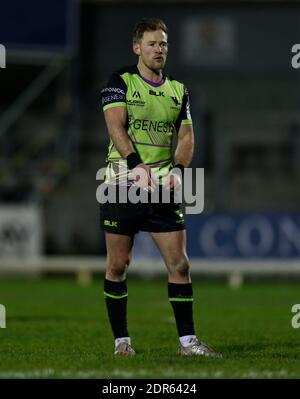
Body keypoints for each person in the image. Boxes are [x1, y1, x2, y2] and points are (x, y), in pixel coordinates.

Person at [100, 17, 221, 357]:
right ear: (137, 47)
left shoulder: (178, 91)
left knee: (180, 264)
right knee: (118, 265)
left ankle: (188, 343)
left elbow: (186, 136)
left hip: (162, 187)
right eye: (152, 43)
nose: (159, 49)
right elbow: (115, 126)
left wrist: (178, 169)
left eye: (163, 44)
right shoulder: (119, 81)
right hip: (121, 183)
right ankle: (122, 342)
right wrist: (135, 165)